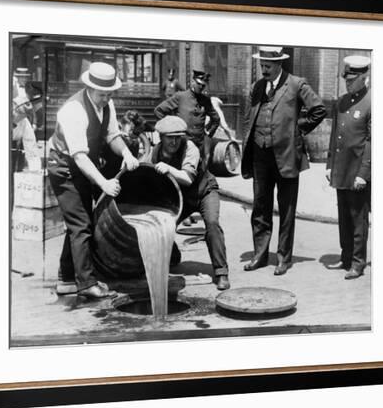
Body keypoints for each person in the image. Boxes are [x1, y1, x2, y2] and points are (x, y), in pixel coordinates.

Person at [47, 62, 139, 298]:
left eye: (109, 94)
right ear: (89, 87)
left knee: (80, 222)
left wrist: (127, 152)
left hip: (81, 165)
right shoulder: (73, 110)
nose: (105, 99)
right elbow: (79, 157)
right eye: (101, 95)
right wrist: (104, 184)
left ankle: (66, 279)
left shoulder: (107, 104)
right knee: (81, 225)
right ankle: (86, 284)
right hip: (64, 166)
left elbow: (112, 135)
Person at [240, 46, 327, 276]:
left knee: (287, 210)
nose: (264, 70)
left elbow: (318, 109)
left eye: (268, 66)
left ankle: (283, 258)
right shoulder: (257, 87)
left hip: (287, 156)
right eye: (261, 66)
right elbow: (249, 119)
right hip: (260, 156)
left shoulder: (297, 84)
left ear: (279, 64)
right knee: (260, 207)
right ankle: (259, 255)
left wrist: (297, 129)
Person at [151, 115, 230, 290]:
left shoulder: (190, 147)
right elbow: (143, 168)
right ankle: (173, 256)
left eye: (177, 137)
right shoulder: (155, 152)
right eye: (169, 138)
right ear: (161, 137)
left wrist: (169, 168)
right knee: (163, 224)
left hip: (204, 192)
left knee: (212, 224)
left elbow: (187, 178)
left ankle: (221, 272)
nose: (174, 142)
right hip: (182, 198)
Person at [326, 55, 371, 280]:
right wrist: (329, 164)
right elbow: (335, 135)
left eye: (352, 79)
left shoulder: (372, 102)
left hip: (358, 171)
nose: (348, 82)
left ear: (364, 77)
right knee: (343, 216)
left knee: (358, 218)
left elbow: (372, 142)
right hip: (341, 169)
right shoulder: (342, 101)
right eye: (346, 79)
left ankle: (358, 262)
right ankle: (346, 257)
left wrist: (364, 173)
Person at [154, 69, 220, 167]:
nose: (201, 87)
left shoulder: (205, 100)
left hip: (199, 145)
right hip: (181, 145)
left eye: (203, 85)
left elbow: (216, 119)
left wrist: (208, 134)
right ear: (192, 82)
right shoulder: (181, 97)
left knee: (199, 173)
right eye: (199, 84)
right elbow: (159, 110)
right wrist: (170, 128)